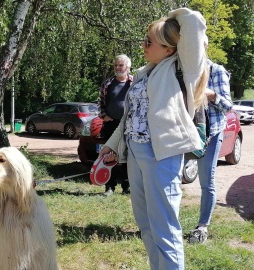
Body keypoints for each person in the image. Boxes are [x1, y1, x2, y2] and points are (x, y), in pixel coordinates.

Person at [99, 8, 208, 269]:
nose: (143, 45)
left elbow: (194, 21)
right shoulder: (145, 72)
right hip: (135, 155)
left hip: (162, 156)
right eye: (144, 39)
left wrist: (170, 17)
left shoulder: (183, 68)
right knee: (146, 225)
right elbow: (130, 117)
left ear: (170, 49)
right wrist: (112, 145)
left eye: (149, 41)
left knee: (166, 230)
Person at [188, 37, 233, 244]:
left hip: (211, 134)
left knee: (206, 181)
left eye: (198, 45)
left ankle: (202, 226)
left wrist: (211, 95)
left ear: (205, 46)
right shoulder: (186, 71)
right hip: (186, 133)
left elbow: (228, 106)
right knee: (172, 177)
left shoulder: (217, 71)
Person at [98, 54, 133, 196]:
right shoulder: (107, 84)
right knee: (109, 155)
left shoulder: (134, 83)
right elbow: (100, 102)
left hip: (129, 125)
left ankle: (127, 186)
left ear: (128, 67)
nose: (118, 68)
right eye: (116, 65)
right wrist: (104, 116)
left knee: (128, 155)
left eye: (121, 65)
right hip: (111, 125)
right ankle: (109, 187)